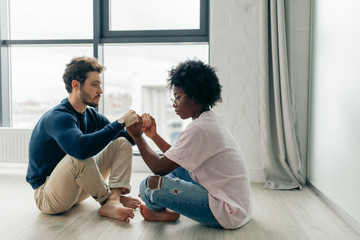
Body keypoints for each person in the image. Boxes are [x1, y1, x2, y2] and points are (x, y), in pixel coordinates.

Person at [126, 59, 252, 229]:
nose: (174, 104)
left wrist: (137, 136)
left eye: (178, 97)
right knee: (171, 173)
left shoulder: (200, 128)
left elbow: (158, 167)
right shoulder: (208, 121)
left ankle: (157, 211)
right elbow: (176, 158)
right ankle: (164, 207)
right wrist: (154, 136)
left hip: (226, 212)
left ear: (196, 95)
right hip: (235, 205)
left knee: (148, 185)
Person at [26, 56, 141, 222]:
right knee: (78, 155)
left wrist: (138, 130)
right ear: (75, 85)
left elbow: (123, 139)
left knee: (120, 143)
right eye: (94, 85)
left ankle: (113, 199)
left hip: (79, 190)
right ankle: (106, 200)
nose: (100, 91)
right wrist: (121, 122)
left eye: (100, 85)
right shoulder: (58, 117)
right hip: (48, 196)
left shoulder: (90, 115)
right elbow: (80, 150)